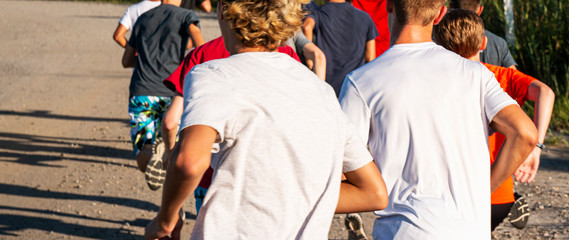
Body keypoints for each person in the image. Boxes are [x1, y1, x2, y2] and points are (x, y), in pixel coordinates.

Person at [144, 0, 388, 239]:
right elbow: (374, 193)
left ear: (222, 12)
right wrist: (293, 197)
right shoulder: (320, 90)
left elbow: (189, 162)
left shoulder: (212, 74)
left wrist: (165, 220)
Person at [338, 0, 538, 238]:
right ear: (440, 13)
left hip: (403, 232)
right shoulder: (476, 74)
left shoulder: (360, 82)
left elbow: (338, 167)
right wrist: (483, 192)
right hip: (470, 231)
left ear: (389, 6)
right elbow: (525, 133)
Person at [433, 9, 555, 231]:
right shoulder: (502, 76)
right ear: (483, 44)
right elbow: (545, 93)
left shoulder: (436, 82)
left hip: (449, 193)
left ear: (440, 47)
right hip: (497, 194)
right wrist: (536, 148)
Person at [160, 36, 302, 212]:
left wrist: (170, 153)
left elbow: (170, 121)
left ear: (222, 12)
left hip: (212, 178)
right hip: (269, 175)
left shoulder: (202, 54)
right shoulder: (284, 54)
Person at [121, 0, 205, 191]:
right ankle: (173, 207)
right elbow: (200, 46)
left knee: (142, 149)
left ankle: (151, 155)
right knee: (173, 150)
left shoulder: (142, 18)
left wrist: (145, 63)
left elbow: (126, 61)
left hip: (141, 93)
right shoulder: (185, 16)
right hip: (172, 93)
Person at [303, 0, 377, 96]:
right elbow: (370, 59)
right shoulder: (365, 18)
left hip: (327, 86)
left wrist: (310, 61)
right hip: (354, 87)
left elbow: (307, 27)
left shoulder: (319, 14)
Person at [450, 0, 517, 69]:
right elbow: (513, 75)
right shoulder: (499, 43)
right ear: (480, 9)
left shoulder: (442, 41)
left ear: (451, 7)